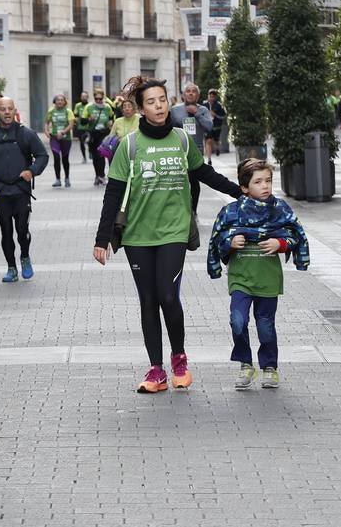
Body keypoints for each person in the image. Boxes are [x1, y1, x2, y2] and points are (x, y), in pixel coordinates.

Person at [92, 77, 240, 393]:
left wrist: (238, 192)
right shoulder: (129, 146)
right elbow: (114, 194)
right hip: (136, 235)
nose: (159, 106)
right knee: (148, 300)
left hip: (173, 230)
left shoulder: (181, 140)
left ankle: (179, 360)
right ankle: (156, 371)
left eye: (162, 100)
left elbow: (203, 173)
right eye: (151, 102)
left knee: (168, 296)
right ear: (141, 109)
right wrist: (101, 239)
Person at [207, 159, 310, 390]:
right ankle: (245, 364)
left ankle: (269, 367)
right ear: (244, 187)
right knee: (237, 320)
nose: (265, 186)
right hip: (240, 278)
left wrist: (280, 243)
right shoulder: (231, 213)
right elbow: (217, 241)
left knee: (265, 325)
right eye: (258, 181)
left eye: (268, 181)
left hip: (267, 279)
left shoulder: (280, 210)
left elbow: (296, 235)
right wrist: (231, 242)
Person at [0, 96, 48, 283]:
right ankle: (11, 268)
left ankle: (25, 257)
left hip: (21, 191)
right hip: (0, 192)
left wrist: (31, 171)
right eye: (2, 109)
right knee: (6, 232)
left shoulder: (26, 134)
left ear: (15, 111)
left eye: (10, 109)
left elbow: (42, 155)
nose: (6, 112)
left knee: (22, 230)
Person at [168, 83, 217, 217]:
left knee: (194, 182)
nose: (190, 93)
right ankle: (179, 210)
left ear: (198, 95)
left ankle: (193, 210)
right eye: (187, 91)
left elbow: (209, 127)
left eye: (193, 91)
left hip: (196, 152)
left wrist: (197, 114)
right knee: (178, 182)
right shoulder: (175, 110)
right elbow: (168, 129)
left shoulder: (203, 110)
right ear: (183, 95)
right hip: (177, 152)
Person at [85, 88, 116, 185]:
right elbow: (82, 121)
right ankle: (97, 175)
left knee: (101, 154)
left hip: (104, 133)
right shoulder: (89, 107)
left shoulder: (107, 107)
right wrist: (89, 119)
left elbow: (111, 117)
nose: (98, 100)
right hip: (94, 134)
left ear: (103, 97)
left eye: (100, 98)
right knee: (95, 156)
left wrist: (110, 123)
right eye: (96, 98)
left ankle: (102, 175)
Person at [45, 94, 75, 188]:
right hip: (54, 138)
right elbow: (46, 122)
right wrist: (46, 131)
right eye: (58, 100)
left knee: (65, 159)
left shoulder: (68, 111)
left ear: (64, 102)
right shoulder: (51, 111)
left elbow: (71, 125)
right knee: (56, 157)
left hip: (66, 138)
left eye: (62, 100)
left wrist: (63, 132)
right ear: (55, 101)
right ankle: (57, 179)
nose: (60, 102)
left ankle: (67, 178)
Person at [205, 89, 228, 162]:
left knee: (216, 141)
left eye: (213, 96)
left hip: (216, 126)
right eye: (210, 96)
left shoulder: (219, 105)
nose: (211, 98)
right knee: (208, 141)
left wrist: (216, 115)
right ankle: (209, 159)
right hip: (208, 127)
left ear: (215, 97)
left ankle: (217, 148)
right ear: (208, 96)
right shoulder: (204, 105)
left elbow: (224, 116)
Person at [74, 91, 92, 163]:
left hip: (89, 127)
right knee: (82, 142)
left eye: (85, 96)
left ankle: (91, 152)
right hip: (80, 127)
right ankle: (84, 157)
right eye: (82, 96)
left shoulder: (90, 105)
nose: (83, 98)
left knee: (90, 142)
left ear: (87, 97)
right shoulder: (78, 105)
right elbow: (75, 115)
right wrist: (76, 120)